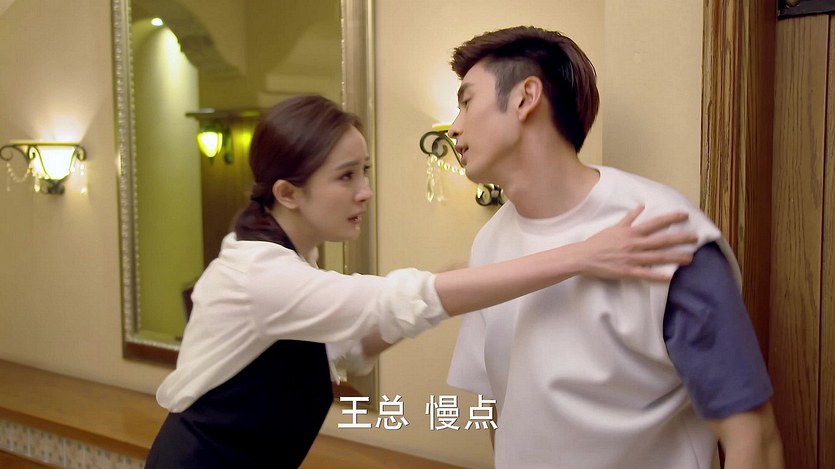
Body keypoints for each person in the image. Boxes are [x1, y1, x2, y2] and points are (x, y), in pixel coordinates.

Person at [144, 94, 697, 468]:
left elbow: (341, 352)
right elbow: (396, 300)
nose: (365, 191)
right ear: (288, 193)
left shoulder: (289, 264)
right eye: (345, 176)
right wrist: (581, 255)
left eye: (364, 171)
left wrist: (448, 287)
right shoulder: (259, 276)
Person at [445, 26, 784, 469]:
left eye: (467, 102)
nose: (454, 127)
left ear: (526, 97)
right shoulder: (489, 243)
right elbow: (498, 404)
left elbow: (753, 440)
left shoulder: (663, 234)